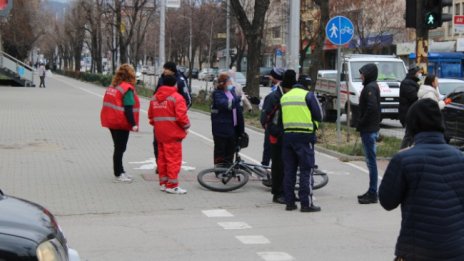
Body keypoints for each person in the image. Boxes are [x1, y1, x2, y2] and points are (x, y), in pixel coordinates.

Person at [379, 98, 464, 261]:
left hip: (416, 251)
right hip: (457, 250)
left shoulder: (403, 159)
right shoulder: (460, 158)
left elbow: (386, 201)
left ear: (412, 125)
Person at [280, 69, 323, 212]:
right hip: (304, 137)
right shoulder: (308, 96)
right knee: (306, 170)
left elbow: (280, 119)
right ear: (307, 86)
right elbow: (319, 116)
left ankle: (289, 203)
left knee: (289, 171)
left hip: (287, 137)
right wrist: (314, 127)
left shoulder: (285, 97)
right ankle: (306, 204)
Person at [148, 75, 190, 194]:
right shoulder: (177, 97)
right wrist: (186, 127)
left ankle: (164, 183)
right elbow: (181, 117)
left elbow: (151, 117)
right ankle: (172, 185)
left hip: (160, 133)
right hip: (173, 134)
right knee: (173, 160)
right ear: (174, 84)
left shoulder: (155, 98)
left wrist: (159, 126)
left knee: (162, 159)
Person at [100, 64, 140, 183]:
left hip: (111, 121)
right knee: (120, 148)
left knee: (118, 147)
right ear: (131, 75)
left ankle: (121, 171)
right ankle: (118, 173)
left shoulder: (113, 87)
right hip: (120, 122)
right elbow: (128, 107)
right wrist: (133, 124)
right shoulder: (127, 88)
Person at [153, 62, 192, 171]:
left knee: (171, 147)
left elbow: (188, 100)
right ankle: (160, 166)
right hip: (161, 119)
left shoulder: (180, 80)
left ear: (172, 70)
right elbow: (156, 95)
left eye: (166, 69)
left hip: (174, 121)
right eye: (164, 69)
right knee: (157, 143)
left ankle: (170, 170)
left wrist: (179, 114)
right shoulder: (162, 79)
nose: (164, 71)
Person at [260, 68, 286, 204]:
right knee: (277, 164)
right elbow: (266, 115)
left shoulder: (284, 94)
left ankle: (284, 190)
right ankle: (277, 192)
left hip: (285, 134)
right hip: (276, 134)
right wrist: (270, 129)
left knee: (284, 164)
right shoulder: (274, 95)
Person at [356, 63, 381, 204]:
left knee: (371, 162)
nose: (361, 76)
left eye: (363, 74)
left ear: (369, 74)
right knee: (370, 161)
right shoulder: (371, 86)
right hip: (371, 128)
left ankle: (372, 193)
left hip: (369, 130)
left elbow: (372, 107)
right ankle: (371, 191)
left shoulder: (370, 87)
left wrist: (362, 122)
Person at [211, 72, 245, 167]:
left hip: (233, 126)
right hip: (221, 127)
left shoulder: (232, 92)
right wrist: (238, 99)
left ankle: (229, 168)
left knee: (231, 149)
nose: (231, 83)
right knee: (221, 149)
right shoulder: (217, 94)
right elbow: (227, 105)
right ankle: (219, 169)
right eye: (229, 81)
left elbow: (237, 108)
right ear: (223, 83)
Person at [260, 67, 284, 167]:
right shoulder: (277, 88)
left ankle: (266, 167)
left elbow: (270, 108)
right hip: (278, 125)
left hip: (273, 125)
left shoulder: (278, 91)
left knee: (269, 147)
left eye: (271, 76)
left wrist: (265, 123)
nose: (269, 77)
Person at [399, 65, 421, 149]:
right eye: (419, 72)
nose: (420, 74)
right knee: (409, 135)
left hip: (411, 113)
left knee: (412, 135)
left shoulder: (412, 82)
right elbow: (413, 97)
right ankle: (402, 152)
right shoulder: (407, 83)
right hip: (408, 114)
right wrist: (421, 90)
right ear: (414, 73)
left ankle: (407, 151)